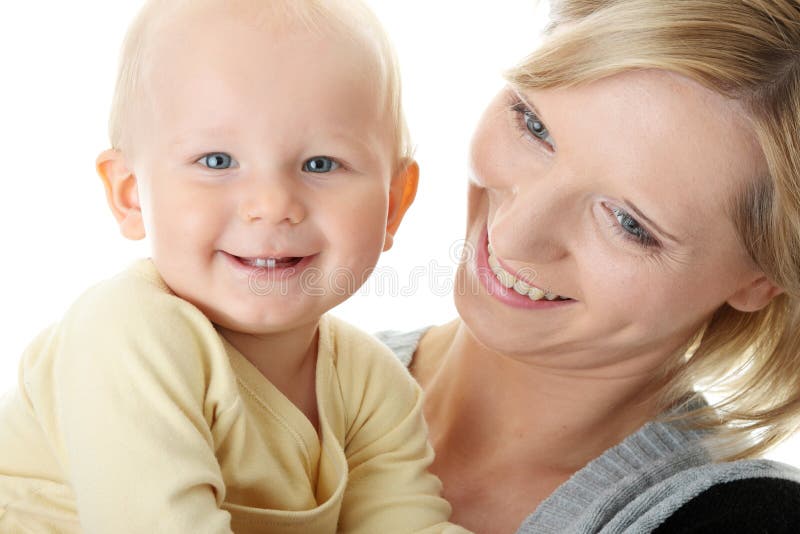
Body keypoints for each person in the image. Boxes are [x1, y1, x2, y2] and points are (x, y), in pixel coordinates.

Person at [0, 1, 469, 533]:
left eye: (320, 164)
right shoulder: (125, 332)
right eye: (217, 161)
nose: (271, 204)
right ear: (130, 194)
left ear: (393, 204)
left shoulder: (373, 386)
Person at [377, 0, 800, 532]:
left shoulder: (746, 521)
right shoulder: (285, 381)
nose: (513, 235)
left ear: (761, 279)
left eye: (627, 222)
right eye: (535, 127)